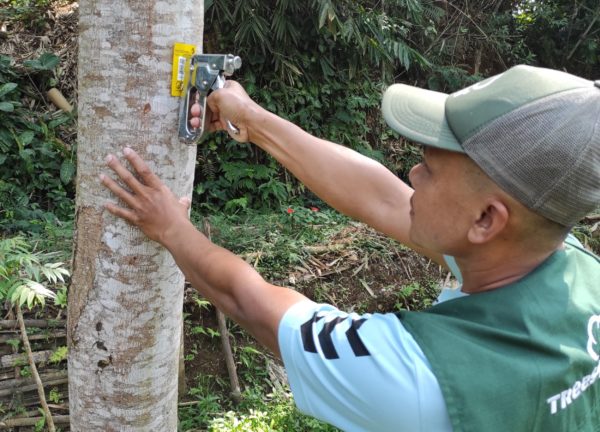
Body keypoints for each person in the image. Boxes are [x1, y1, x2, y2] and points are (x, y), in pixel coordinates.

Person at [100, 65, 600, 431]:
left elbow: (250, 303)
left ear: (487, 220)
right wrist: (250, 118)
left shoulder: (420, 380)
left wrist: (169, 226)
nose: (413, 174)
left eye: (432, 167)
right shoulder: (570, 265)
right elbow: (379, 196)